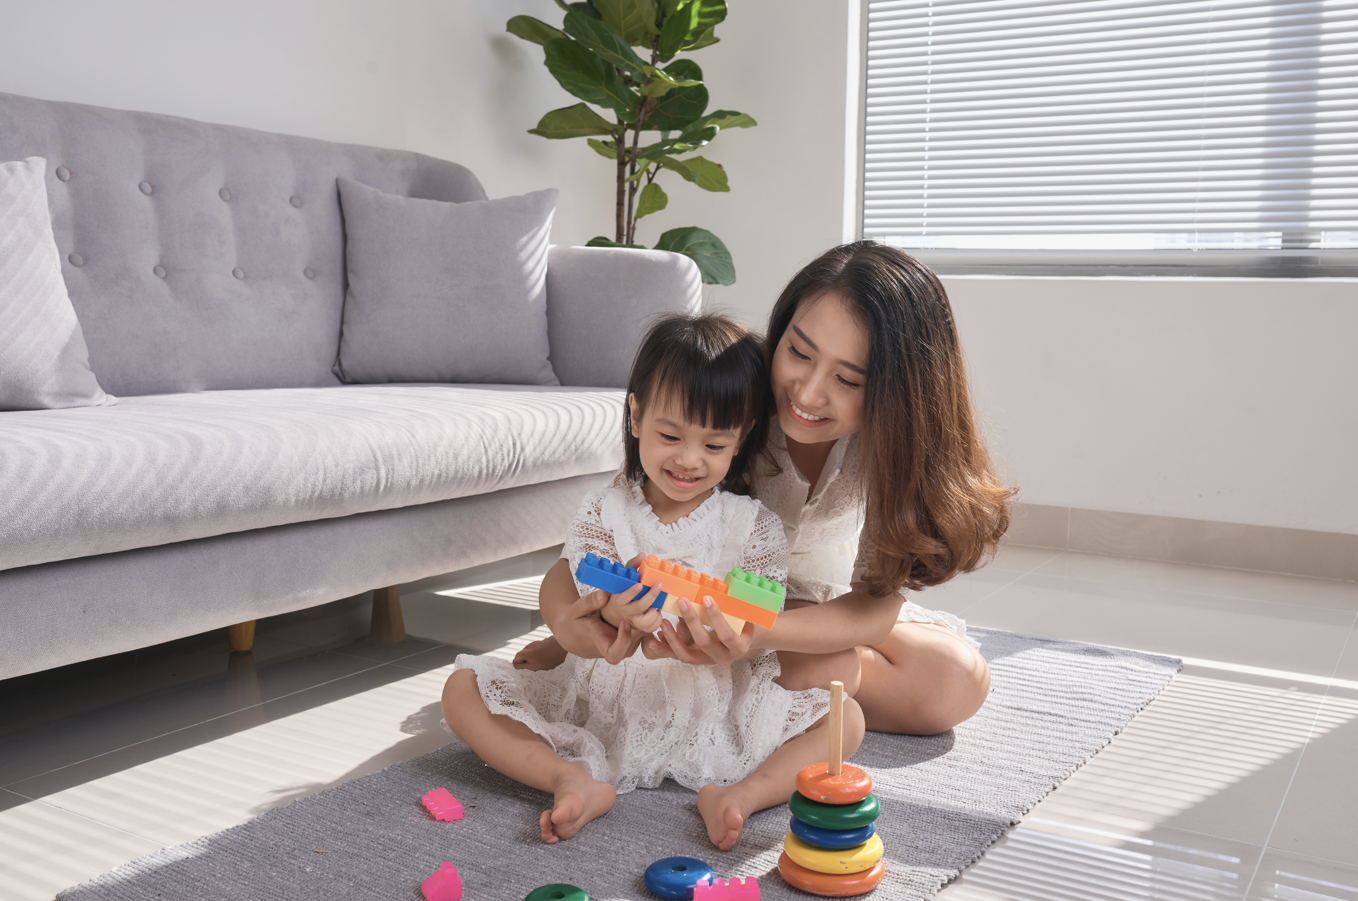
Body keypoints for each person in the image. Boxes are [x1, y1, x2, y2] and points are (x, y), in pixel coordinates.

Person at [528, 241, 1012, 750]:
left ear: (897, 393)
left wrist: (759, 634)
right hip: (703, 607)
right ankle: (599, 666)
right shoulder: (730, 402)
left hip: (794, 611)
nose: (806, 394)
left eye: (847, 379)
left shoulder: (889, 445)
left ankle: (797, 675)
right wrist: (567, 626)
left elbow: (875, 605)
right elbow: (592, 544)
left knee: (954, 681)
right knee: (827, 666)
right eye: (798, 352)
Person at [441, 314, 863, 850]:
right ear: (637, 416)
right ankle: (569, 779)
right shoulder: (605, 511)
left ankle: (741, 795)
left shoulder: (751, 525)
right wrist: (612, 613)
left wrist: (726, 630)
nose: (688, 459)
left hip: (712, 704)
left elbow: (757, 612)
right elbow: (583, 595)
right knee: (462, 690)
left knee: (844, 718)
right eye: (670, 435)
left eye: (714, 446)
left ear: (741, 440)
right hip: (602, 701)